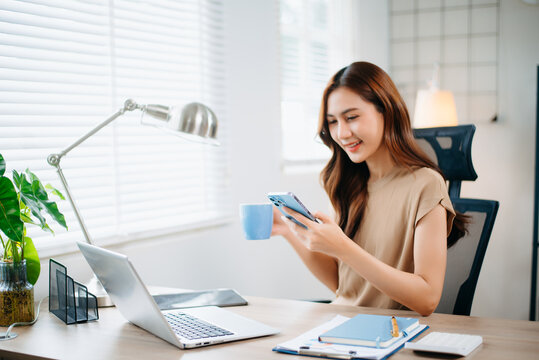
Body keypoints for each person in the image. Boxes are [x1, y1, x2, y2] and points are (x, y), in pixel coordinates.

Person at [271, 61, 467, 316]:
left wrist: (343, 247)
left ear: (386, 111)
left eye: (351, 117)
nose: (341, 133)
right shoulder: (349, 184)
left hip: (390, 334)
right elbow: (343, 286)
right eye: (332, 122)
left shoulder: (426, 185)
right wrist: (288, 230)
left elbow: (427, 299)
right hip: (340, 323)